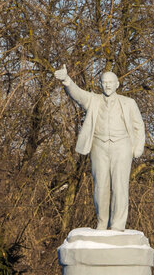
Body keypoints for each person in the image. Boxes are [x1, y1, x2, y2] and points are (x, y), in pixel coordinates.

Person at [54, 67, 145, 230]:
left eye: (111, 82)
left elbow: (139, 126)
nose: (108, 85)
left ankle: (118, 225)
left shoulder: (129, 103)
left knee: (120, 186)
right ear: (100, 84)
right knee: (100, 186)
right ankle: (102, 223)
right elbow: (78, 94)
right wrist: (66, 80)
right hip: (99, 146)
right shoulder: (93, 100)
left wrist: (137, 148)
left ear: (117, 84)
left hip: (122, 146)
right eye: (104, 82)